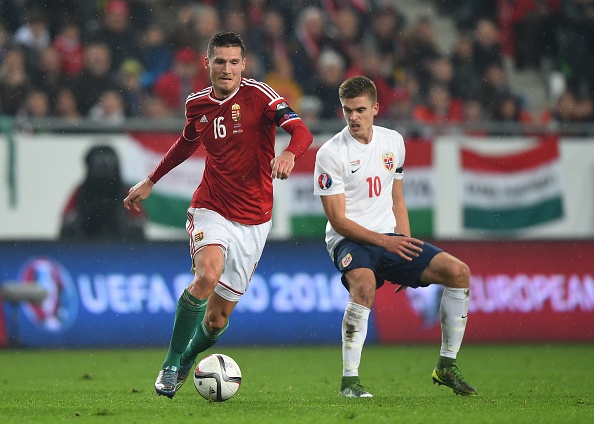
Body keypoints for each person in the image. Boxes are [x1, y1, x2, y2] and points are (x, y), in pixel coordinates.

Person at [123, 31, 313, 399]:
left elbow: (300, 130)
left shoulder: (261, 96)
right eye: (220, 61)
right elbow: (186, 143)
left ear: (244, 65)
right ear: (207, 63)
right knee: (206, 276)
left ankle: (188, 356)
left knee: (216, 320)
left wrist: (290, 153)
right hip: (211, 207)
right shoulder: (197, 104)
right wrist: (151, 180)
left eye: (234, 62)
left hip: (254, 220)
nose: (227, 69)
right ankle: (170, 364)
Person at [313, 75, 477, 398]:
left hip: (389, 236)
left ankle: (447, 365)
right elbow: (338, 221)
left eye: (360, 110)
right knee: (364, 286)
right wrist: (386, 242)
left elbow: (397, 198)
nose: (353, 117)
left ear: (375, 108)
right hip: (348, 240)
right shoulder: (330, 154)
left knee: (459, 273)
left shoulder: (394, 142)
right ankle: (349, 383)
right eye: (347, 110)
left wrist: (403, 245)